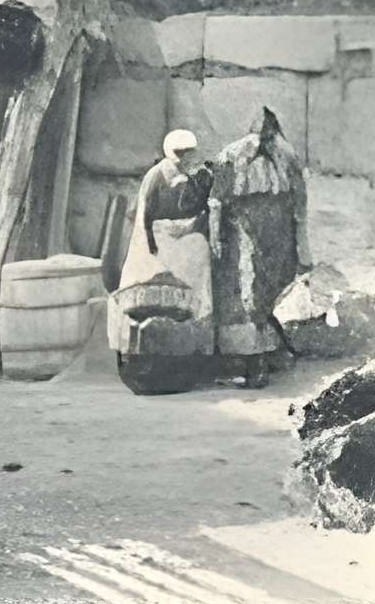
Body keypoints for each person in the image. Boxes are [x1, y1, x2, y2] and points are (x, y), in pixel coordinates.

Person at [209, 106, 309, 387]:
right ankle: (251, 364)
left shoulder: (285, 155)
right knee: (246, 297)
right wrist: (216, 235)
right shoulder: (232, 155)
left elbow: (299, 202)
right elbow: (217, 200)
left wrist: (301, 246)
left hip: (274, 238)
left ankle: (262, 360)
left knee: (264, 296)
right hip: (244, 234)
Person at [110, 128, 216, 394]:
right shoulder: (156, 175)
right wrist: (151, 244)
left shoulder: (196, 175)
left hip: (187, 238)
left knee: (194, 288)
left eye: (188, 152)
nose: (184, 157)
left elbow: (200, 208)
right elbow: (145, 212)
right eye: (181, 152)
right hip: (158, 238)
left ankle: (194, 355)